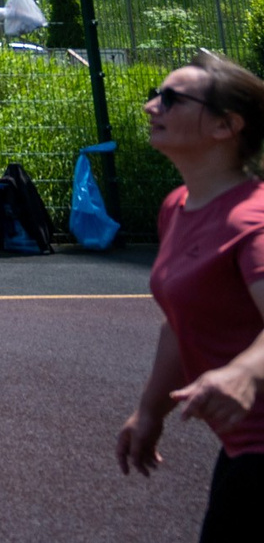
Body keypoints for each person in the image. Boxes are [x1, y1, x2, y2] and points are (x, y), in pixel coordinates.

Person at [118, 49, 264, 542]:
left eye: (172, 99)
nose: (151, 107)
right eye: (155, 95)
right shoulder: (177, 206)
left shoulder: (253, 221)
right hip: (244, 446)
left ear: (226, 126)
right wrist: (150, 411)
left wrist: (244, 371)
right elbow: (182, 321)